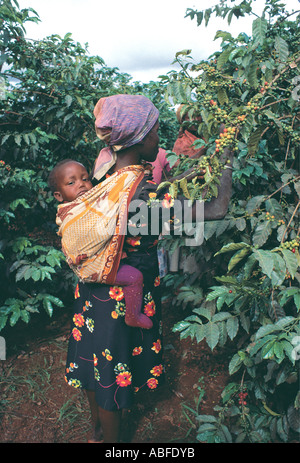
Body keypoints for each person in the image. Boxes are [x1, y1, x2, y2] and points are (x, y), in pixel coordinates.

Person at [61, 94, 233, 444]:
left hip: (93, 292)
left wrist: (199, 167)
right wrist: (228, 160)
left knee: (95, 365)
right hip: (121, 301)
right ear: (140, 138)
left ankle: (96, 431)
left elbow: (161, 193)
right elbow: (216, 208)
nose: (159, 137)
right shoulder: (144, 199)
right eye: (155, 131)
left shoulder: (111, 178)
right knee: (111, 370)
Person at [48, 159, 153, 330]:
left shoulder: (91, 203)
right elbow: (94, 233)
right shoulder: (72, 214)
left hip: (98, 265)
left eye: (85, 179)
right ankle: (133, 316)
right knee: (134, 278)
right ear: (59, 196)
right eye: (71, 182)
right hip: (91, 267)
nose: (81, 185)